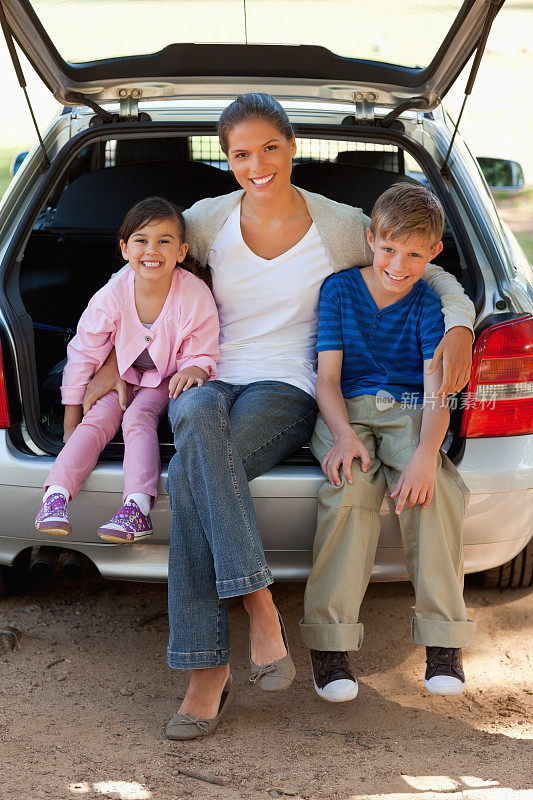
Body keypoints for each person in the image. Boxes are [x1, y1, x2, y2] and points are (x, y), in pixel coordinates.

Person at [82, 93, 475, 739]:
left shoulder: (341, 225)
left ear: (292, 147)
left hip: (288, 386)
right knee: (195, 418)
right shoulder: (207, 220)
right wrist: (111, 358)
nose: (256, 164)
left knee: (187, 479)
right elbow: (139, 272)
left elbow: (420, 270)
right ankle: (259, 605)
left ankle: (205, 671)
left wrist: (458, 326)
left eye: (269, 148)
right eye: (240, 153)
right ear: (226, 159)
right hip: (205, 370)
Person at [300, 183, 475, 703]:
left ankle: (443, 643)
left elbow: (436, 386)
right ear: (370, 238)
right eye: (389, 249)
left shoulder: (427, 304)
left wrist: (425, 456)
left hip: (410, 413)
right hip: (345, 414)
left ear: (434, 254)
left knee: (432, 493)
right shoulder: (338, 291)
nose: (399, 265)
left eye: (415, 255)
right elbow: (327, 380)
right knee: (349, 492)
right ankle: (330, 646)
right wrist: (344, 436)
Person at [35, 196, 219, 543]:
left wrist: (196, 368)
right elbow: (84, 352)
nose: (153, 250)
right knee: (98, 417)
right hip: (124, 374)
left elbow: (203, 347)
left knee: (138, 418)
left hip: (165, 379)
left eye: (164, 241)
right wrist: (71, 419)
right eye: (141, 240)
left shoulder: (192, 293)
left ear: (181, 251)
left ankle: (136, 507)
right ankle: (55, 494)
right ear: (124, 248)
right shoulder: (112, 294)